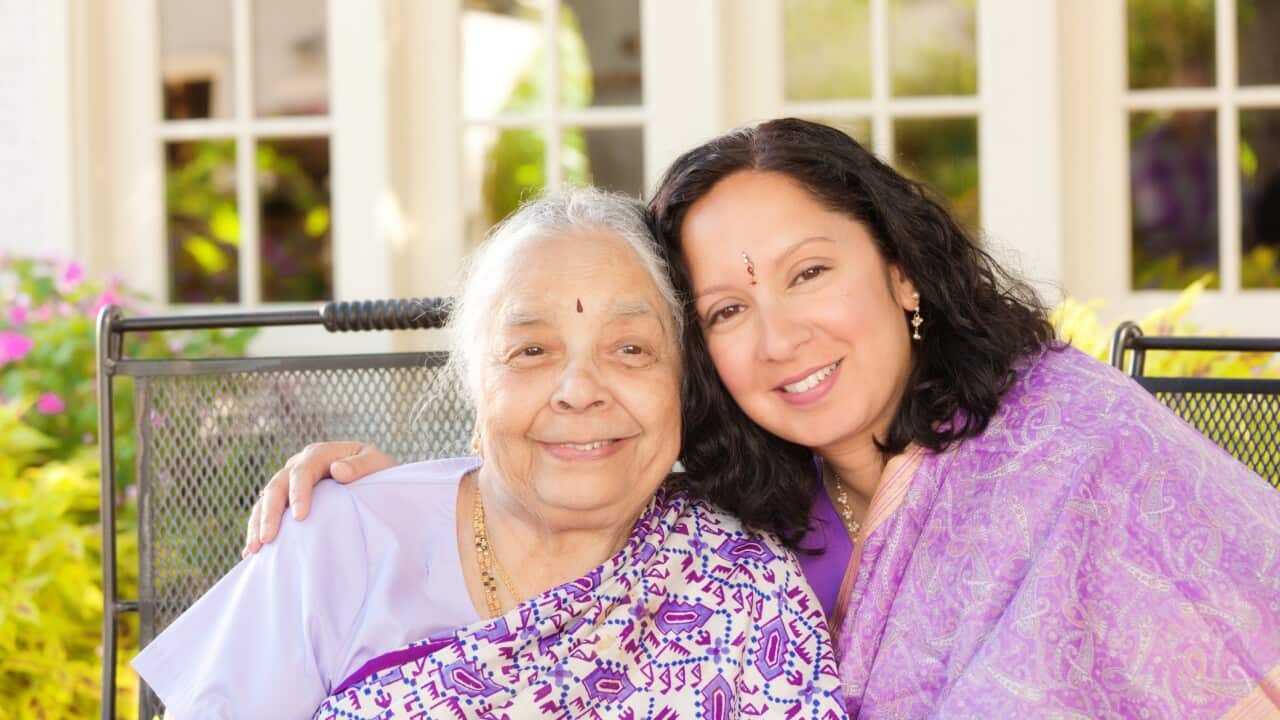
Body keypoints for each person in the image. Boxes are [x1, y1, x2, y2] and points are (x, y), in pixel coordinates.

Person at [252, 119, 1280, 718]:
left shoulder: (1077, 445)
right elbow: (568, 460)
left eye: (809, 274)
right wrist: (408, 499)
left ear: (900, 270)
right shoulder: (731, 508)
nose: (780, 337)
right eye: (728, 311)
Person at [131, 188, 846, 719]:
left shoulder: (741, 588)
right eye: (531, 351)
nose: (579, 391)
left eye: (630, 349)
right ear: (476, 390)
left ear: (684, 387)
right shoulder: (337, 537)